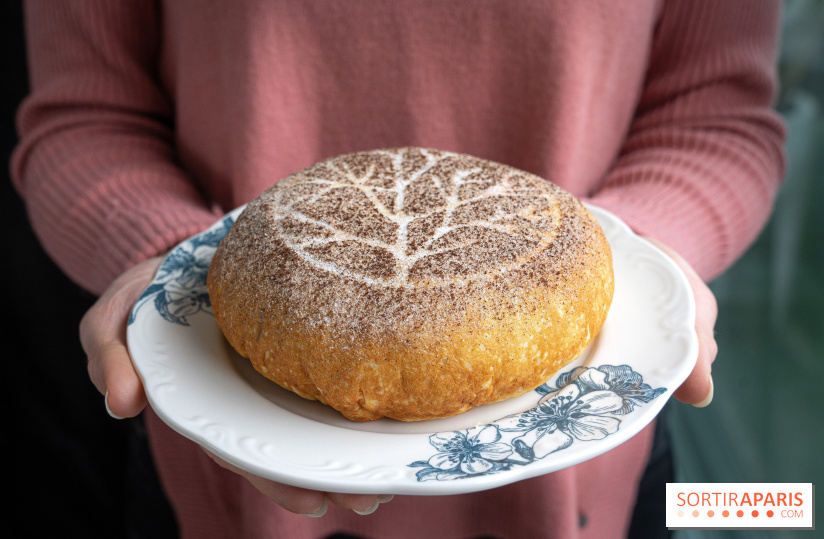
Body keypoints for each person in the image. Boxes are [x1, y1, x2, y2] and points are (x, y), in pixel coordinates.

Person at [11, 1, 785, 537]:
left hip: (589, 469)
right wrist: (179, 266)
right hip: (225, 466)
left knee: (771, 511)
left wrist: (634, 252)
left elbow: (716, 114)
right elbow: (86, 116)